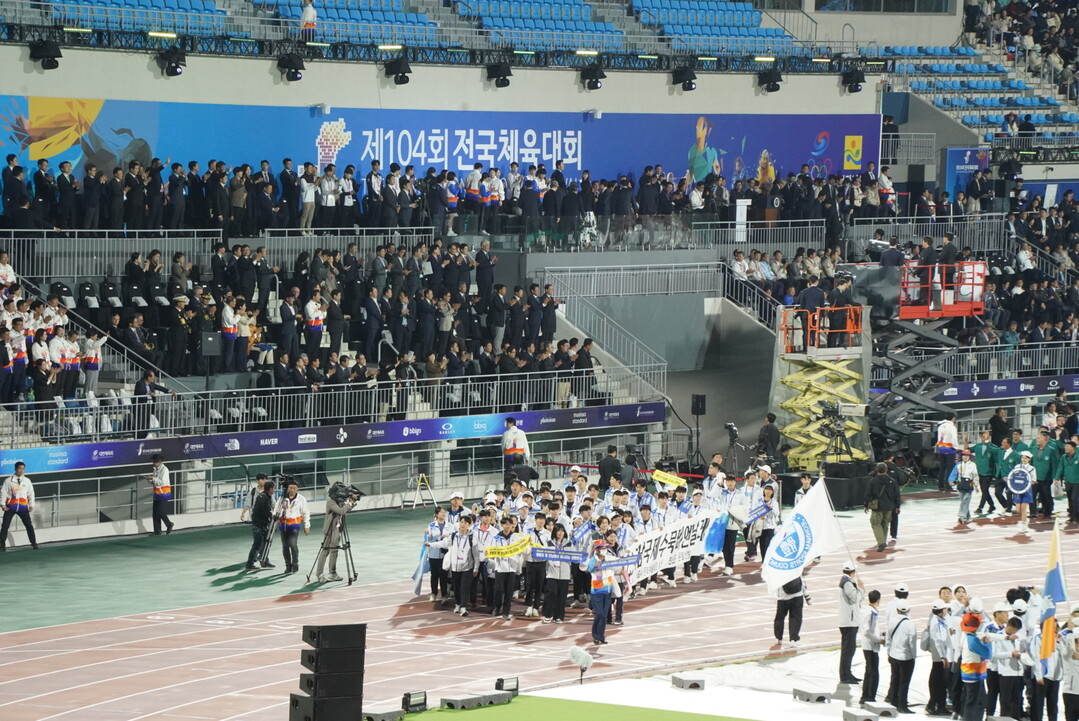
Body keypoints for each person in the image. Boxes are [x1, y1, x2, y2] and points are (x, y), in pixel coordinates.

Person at [425, 513, 482, 617]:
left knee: (464, 587)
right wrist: (431, 544)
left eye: (465, 523)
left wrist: (476, 567)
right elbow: (443, 543)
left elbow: (476, 554)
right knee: (456, 587)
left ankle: (463, 607)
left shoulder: (472, 537)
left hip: (467, 567)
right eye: (461, 522)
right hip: (455, 567)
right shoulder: (454, 536)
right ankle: (458, 604)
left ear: (469, 525)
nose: (463, 524)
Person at [583, 538, 618, 645]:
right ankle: (596, 635)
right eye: (602, 548)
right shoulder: (593, 560)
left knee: (604, 615)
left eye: (605, 548)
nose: (604, 550)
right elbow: (588, 569)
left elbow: (616, 566)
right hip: (597, 591)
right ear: (597, 550)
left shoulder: (608, 559)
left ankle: (601, 636)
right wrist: (595, 565)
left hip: (607, 591)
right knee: (600, 614)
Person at [886, 600, 917, 714]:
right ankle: (902, 705)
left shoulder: (892, 621)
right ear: (908, 610)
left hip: (894, 655)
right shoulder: (910, 624)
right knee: (904, 682)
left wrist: (888, 653)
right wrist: (913, 656)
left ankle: (893, 701)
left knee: (895, 680)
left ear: (897, 610)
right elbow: (912, 642)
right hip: (906, 657)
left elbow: (888, 639)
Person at [838, 561, 866, 684]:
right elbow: (854, 598)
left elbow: (859, 598)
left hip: (849, 621)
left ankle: (847, 673)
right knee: (848, 650)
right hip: (849, 622)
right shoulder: (847, 583)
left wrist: (860, 590)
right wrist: (860, 588)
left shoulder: (847, 582)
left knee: (849, 649)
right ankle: (845, 675)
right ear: (853, 572)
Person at [0, 462, 37, 551]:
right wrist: (2, 504)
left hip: (23, 507)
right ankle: (2, 546)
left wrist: (31, 505)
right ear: (16, 469)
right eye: (20, 468)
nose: (21, 470)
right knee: (5, 526)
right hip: (10, 507)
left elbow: (31, 493)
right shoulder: (8, 480)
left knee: (29, 525)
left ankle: (34, 543)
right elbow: (3, 493)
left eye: (23, 468)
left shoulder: (27, 481)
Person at [275, 480, 310, 574]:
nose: (292, 490)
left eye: (294, 488)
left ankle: (295, 564)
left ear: (297, 489)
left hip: (294, 525)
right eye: (290, 488)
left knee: (293, 544)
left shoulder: (301, 499)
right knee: (285, 546)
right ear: (287, 488)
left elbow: (306, 513)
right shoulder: (282, 498)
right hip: (283, 525)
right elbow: (276, 510)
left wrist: (307, 525)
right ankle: (288, 565)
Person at [865, 462, 901, 552]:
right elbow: (897, 495)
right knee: (885, 524)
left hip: (877, 507)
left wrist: (866, 505)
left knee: (875, 524)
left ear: (877, 470)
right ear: (886, 470)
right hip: (889, 506)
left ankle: (881, 543)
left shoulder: (873, 481)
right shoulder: (892, 481)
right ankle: (883, 541)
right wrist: (897, 506)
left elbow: (868, 494)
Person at [541, 524, 573, 624]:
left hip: (564, 574)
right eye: (558, 531)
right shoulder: (549, 543)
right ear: (554, 532)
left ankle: (559, 616)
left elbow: (574, 556)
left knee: (562, 596)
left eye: (562, 531)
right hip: (552, 573)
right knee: (551, 594)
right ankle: (548, 615)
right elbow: (543, 555)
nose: (560, 533)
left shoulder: (569, 544)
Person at [245, 479, 276, 570]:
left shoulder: (264, 496)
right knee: (257, 545)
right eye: (273, 488)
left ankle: (264, 560)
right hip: (259, 525)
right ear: (270, 489)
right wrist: (272, 516)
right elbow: (266, 512)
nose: (274, 490)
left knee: (264, 544)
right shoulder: (264, 498)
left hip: (260, 524)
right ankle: (250, 564)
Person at [861, 589, 884, 706]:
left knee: (869, 671)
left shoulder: (867, 610)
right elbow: (867, 631)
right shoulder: (871, 613)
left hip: (868, 645)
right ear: (878, 600)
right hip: (870, 646)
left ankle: (865, 696)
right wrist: (878, 639)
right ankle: (869, 697)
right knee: (873, 673)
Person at [143, 454, 175, 536]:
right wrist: (150, 479)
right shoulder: (155, 469)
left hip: (164, 493)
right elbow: (155, 482)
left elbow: (162, 482)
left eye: (154, 461)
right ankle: (157, 531)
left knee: (160, 511)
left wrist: (152, 478)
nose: (153, 463)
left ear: (159, 462)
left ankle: (169, 524)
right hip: (157, 494)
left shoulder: (164, 470)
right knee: (155, 513)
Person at [423, 507, 450, 601]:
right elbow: (428, 538)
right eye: (441, 512)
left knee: (443, 575)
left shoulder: (450, 526)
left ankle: (444, 595)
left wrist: (448, 536)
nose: (443, 514)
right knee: (434, 575)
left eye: (444, 512)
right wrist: (427, 533)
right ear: (436, 514)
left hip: (445, 555)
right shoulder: (431, 525)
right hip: (433, 554)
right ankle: (434, 593)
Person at [1006, 450, 1036, 534]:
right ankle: (1025, 519)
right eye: (1023, 458)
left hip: (1027, 491)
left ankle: (1023, 525)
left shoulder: (1032, 468)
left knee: (1023, 508)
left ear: (1029, 459)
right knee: (1018, 510)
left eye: (1026, 458)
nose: (1024, 459)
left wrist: (1027, 484)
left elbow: (1034, 480)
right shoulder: (1017, 466)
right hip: (1017, 491)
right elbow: (1013, 476)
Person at [775, 571, 806, 650]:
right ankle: (793, 639)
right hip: (798, 595)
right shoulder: (796, 566)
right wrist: (807, 596)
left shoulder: (779, 568)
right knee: (796, 618)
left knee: (780, 618)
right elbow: (802, 582)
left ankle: (778, 638)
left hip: (783, 597)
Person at [950, 449, 979, 524]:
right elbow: (954, 473)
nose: (965, 457)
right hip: (960, 484)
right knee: (963, 501)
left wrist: (976, 486)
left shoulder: (973, 465)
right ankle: (968, 517)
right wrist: (951, 480)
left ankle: (962, 516)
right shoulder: (959, 465)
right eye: (964, 455)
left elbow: (975, 475)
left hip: (969, 484)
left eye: (966, 455)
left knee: (965, 500)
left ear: (969, 457)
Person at [937, 412, 959, 492]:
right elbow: (954, 438)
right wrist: (956, 447)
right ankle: (948, 486)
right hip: (949, 448)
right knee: (950, 468)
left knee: (942, 467)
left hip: (941, 448)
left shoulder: (940, 426)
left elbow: (939, 437)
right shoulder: (952, 427)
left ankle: (940, 485)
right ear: (953, 418)